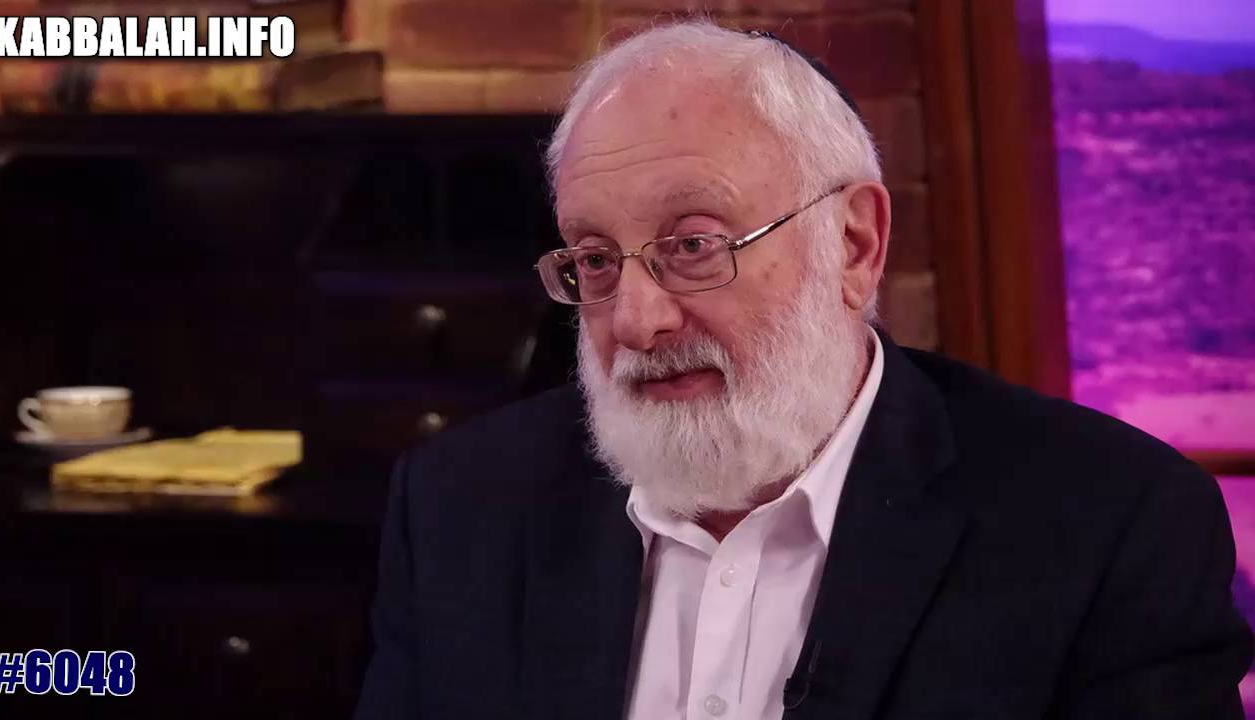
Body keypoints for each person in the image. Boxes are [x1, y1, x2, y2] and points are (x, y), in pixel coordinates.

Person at [355, 20, 1252, 720]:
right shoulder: (459, 509)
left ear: (854, 245)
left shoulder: (1108, 524)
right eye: (594, 259)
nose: (636, 319)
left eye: (694, 245)